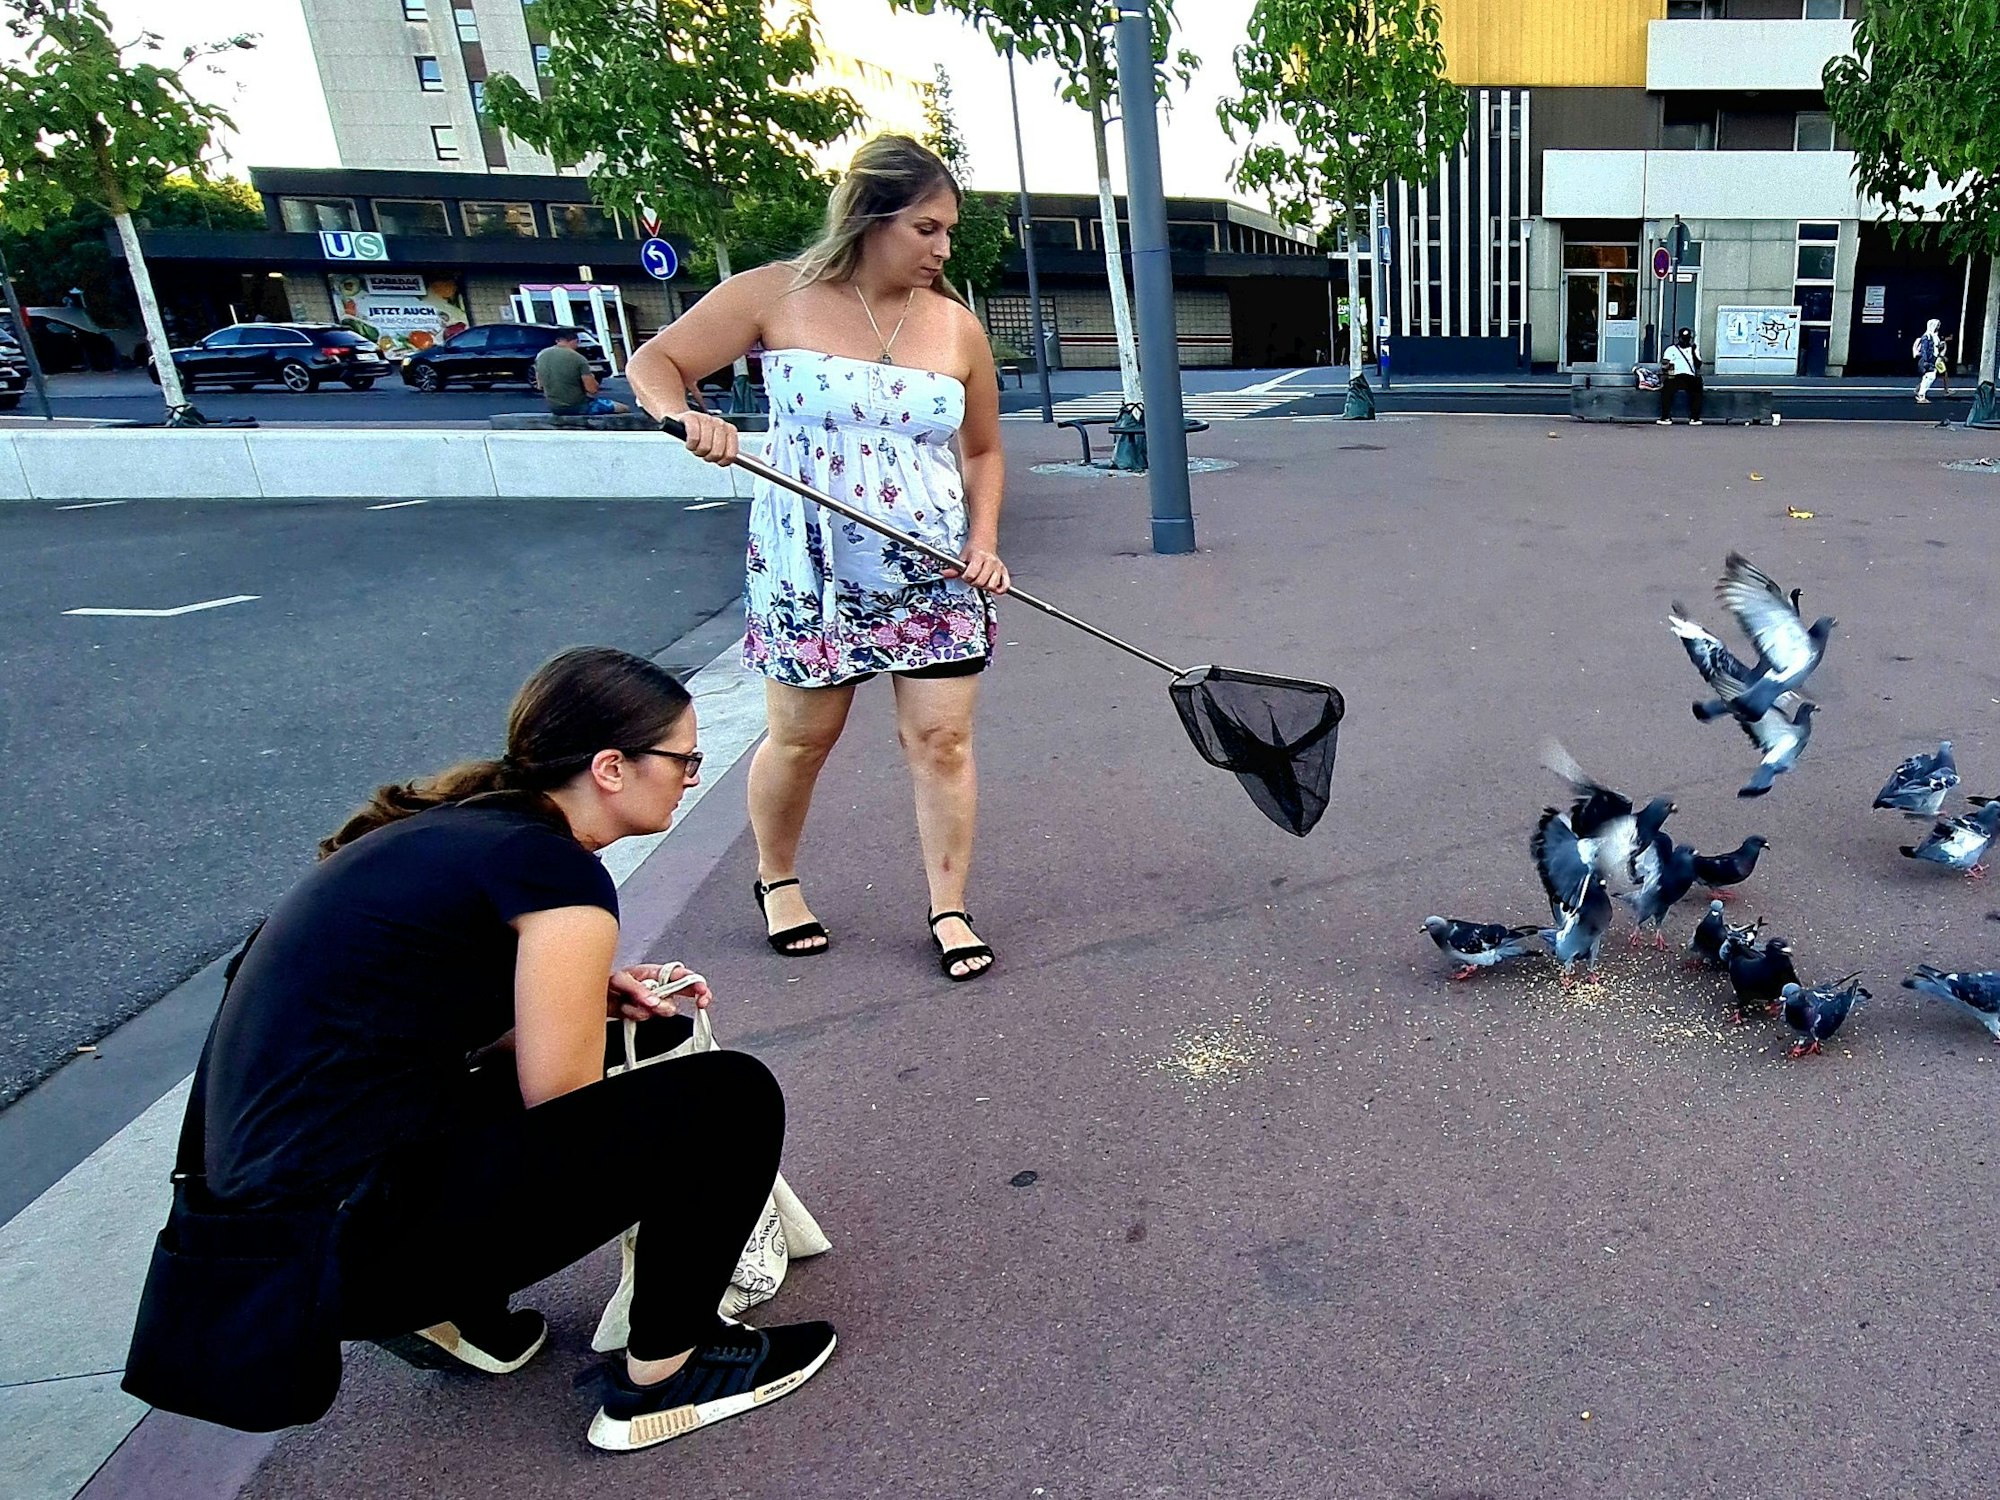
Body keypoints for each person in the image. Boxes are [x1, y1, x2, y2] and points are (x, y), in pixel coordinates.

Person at [133, 647, 835, 1452]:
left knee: (627, 1045)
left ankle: (453, 1310)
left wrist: (580, 995)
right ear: (611, 767)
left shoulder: (455, 837)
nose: (690, 776)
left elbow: (382, 1027)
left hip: (259, 1243)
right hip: (339, 1249)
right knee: (727, 1097)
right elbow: (566, 1110)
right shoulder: (553, 868)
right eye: (683, 759)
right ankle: (669, 1373)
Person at [626, 134, 1009, 982]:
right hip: (812, 568)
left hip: (933, 567)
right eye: (928, 228)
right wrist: (681, 416)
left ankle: (950, 906)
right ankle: (777, 878)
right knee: (803, 739)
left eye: (949, 231)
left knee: (943, 741)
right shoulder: (776, 294)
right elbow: (657, 361)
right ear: (872, 216)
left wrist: (982, 544)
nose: (944, 249)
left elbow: (982, 452)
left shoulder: (957, 327)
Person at [536, 329, 629, 417]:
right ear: (575, 341)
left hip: (555, 408)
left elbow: (540, 385)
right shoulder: (578, 358)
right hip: (579, 407)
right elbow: (592, 389)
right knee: (623, 408)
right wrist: (592, 378)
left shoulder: (541, 356)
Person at [1658, 326, 1704, 425]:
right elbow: (1665, 365)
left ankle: (1695, 417)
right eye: (1683, 339)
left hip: (1689, 376)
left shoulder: (1694, 349)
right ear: (1679, 338)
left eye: (1687, 339)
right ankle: (1665, 416)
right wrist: (1669, 372)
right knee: (1667, 390)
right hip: (1676, 376)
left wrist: (1693, 352)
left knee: (1698, 387)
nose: (1685, 341)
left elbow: (1698, 365)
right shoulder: (1671, 350)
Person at [1915, 319, 1948, 403]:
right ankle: (1921, 394)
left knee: (1930, 377)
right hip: (1929, 359)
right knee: (1929, 377)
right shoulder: (1927, 336)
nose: (1938, 327)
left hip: (1934, 358)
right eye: (1937, 325)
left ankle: (1921, 393)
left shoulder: (1934, 336)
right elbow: (1924, 349)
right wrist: (1926, 360)